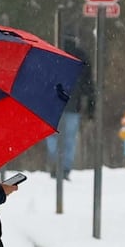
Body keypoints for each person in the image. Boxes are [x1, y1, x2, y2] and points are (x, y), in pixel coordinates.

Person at [45, 33, 94, 179]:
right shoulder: (81, 56)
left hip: (53, 105)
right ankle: (65, 168)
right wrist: (91, 107)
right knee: (69, 139)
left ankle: (55, 164)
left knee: (52, 136)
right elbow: (89, 85)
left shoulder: (51, 54)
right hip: (74, 105)